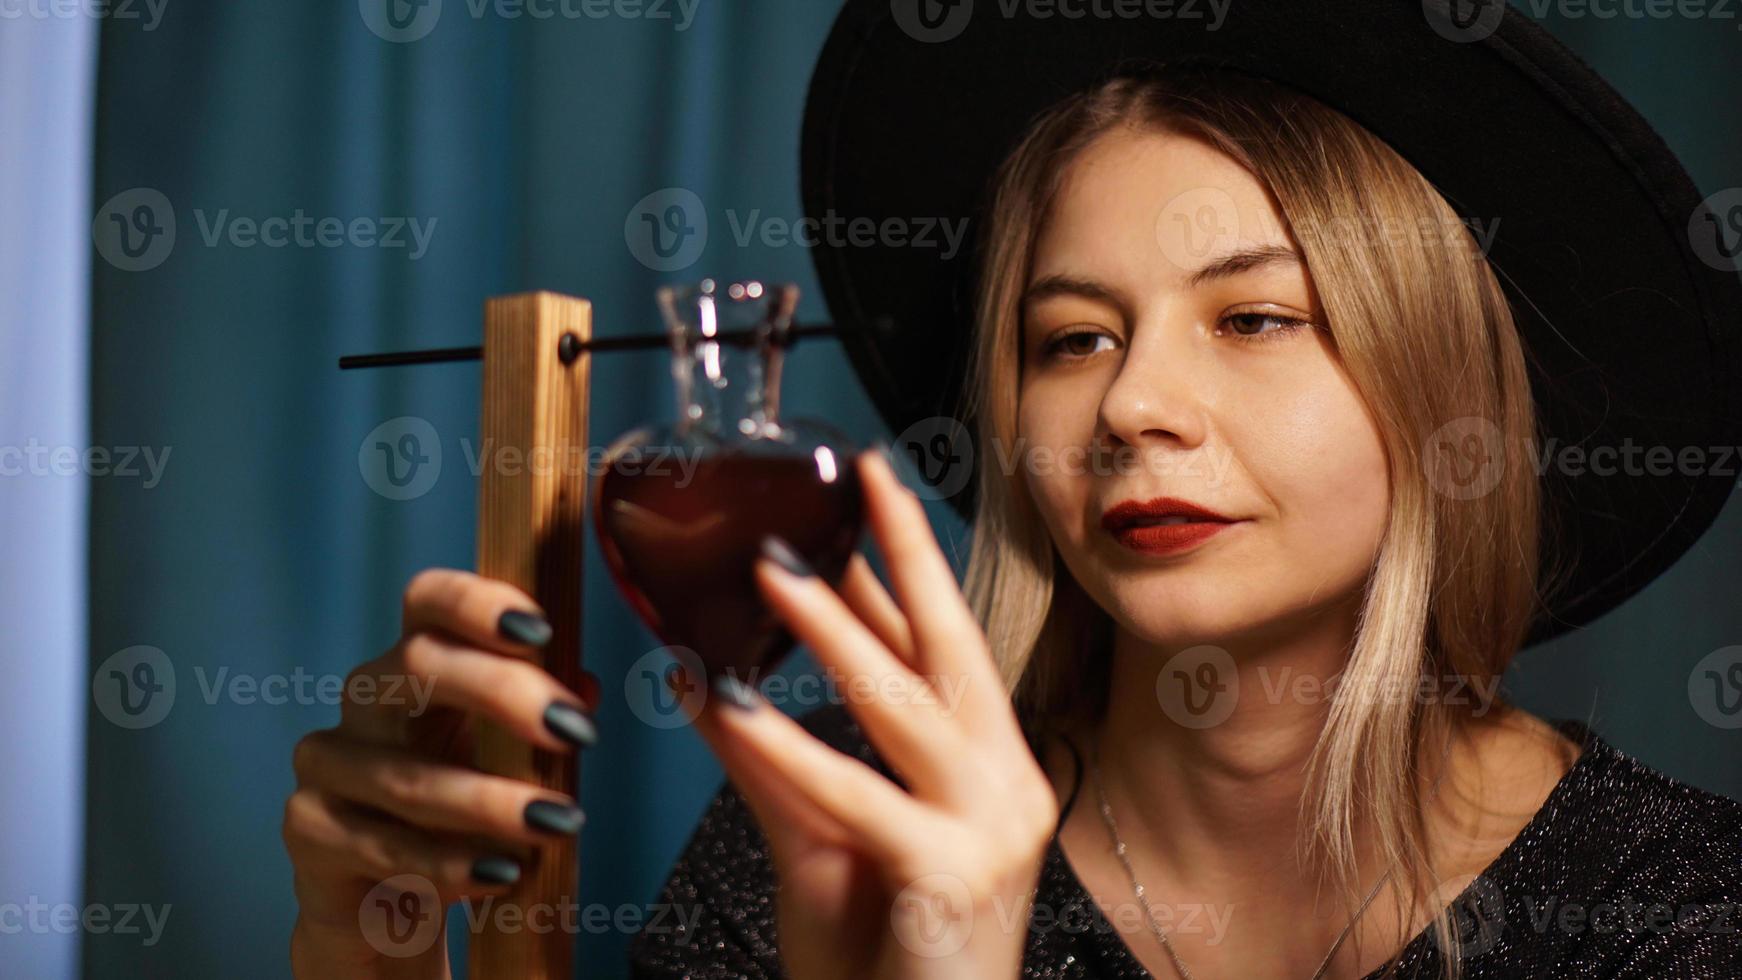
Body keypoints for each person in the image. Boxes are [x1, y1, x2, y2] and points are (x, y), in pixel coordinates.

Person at [284, 3, 1742, 978]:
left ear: (1446, 402)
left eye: (1251, 318)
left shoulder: (1676, 911)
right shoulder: (831, 831)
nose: (1129, 407)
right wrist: (371, 959)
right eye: (1070, 340)